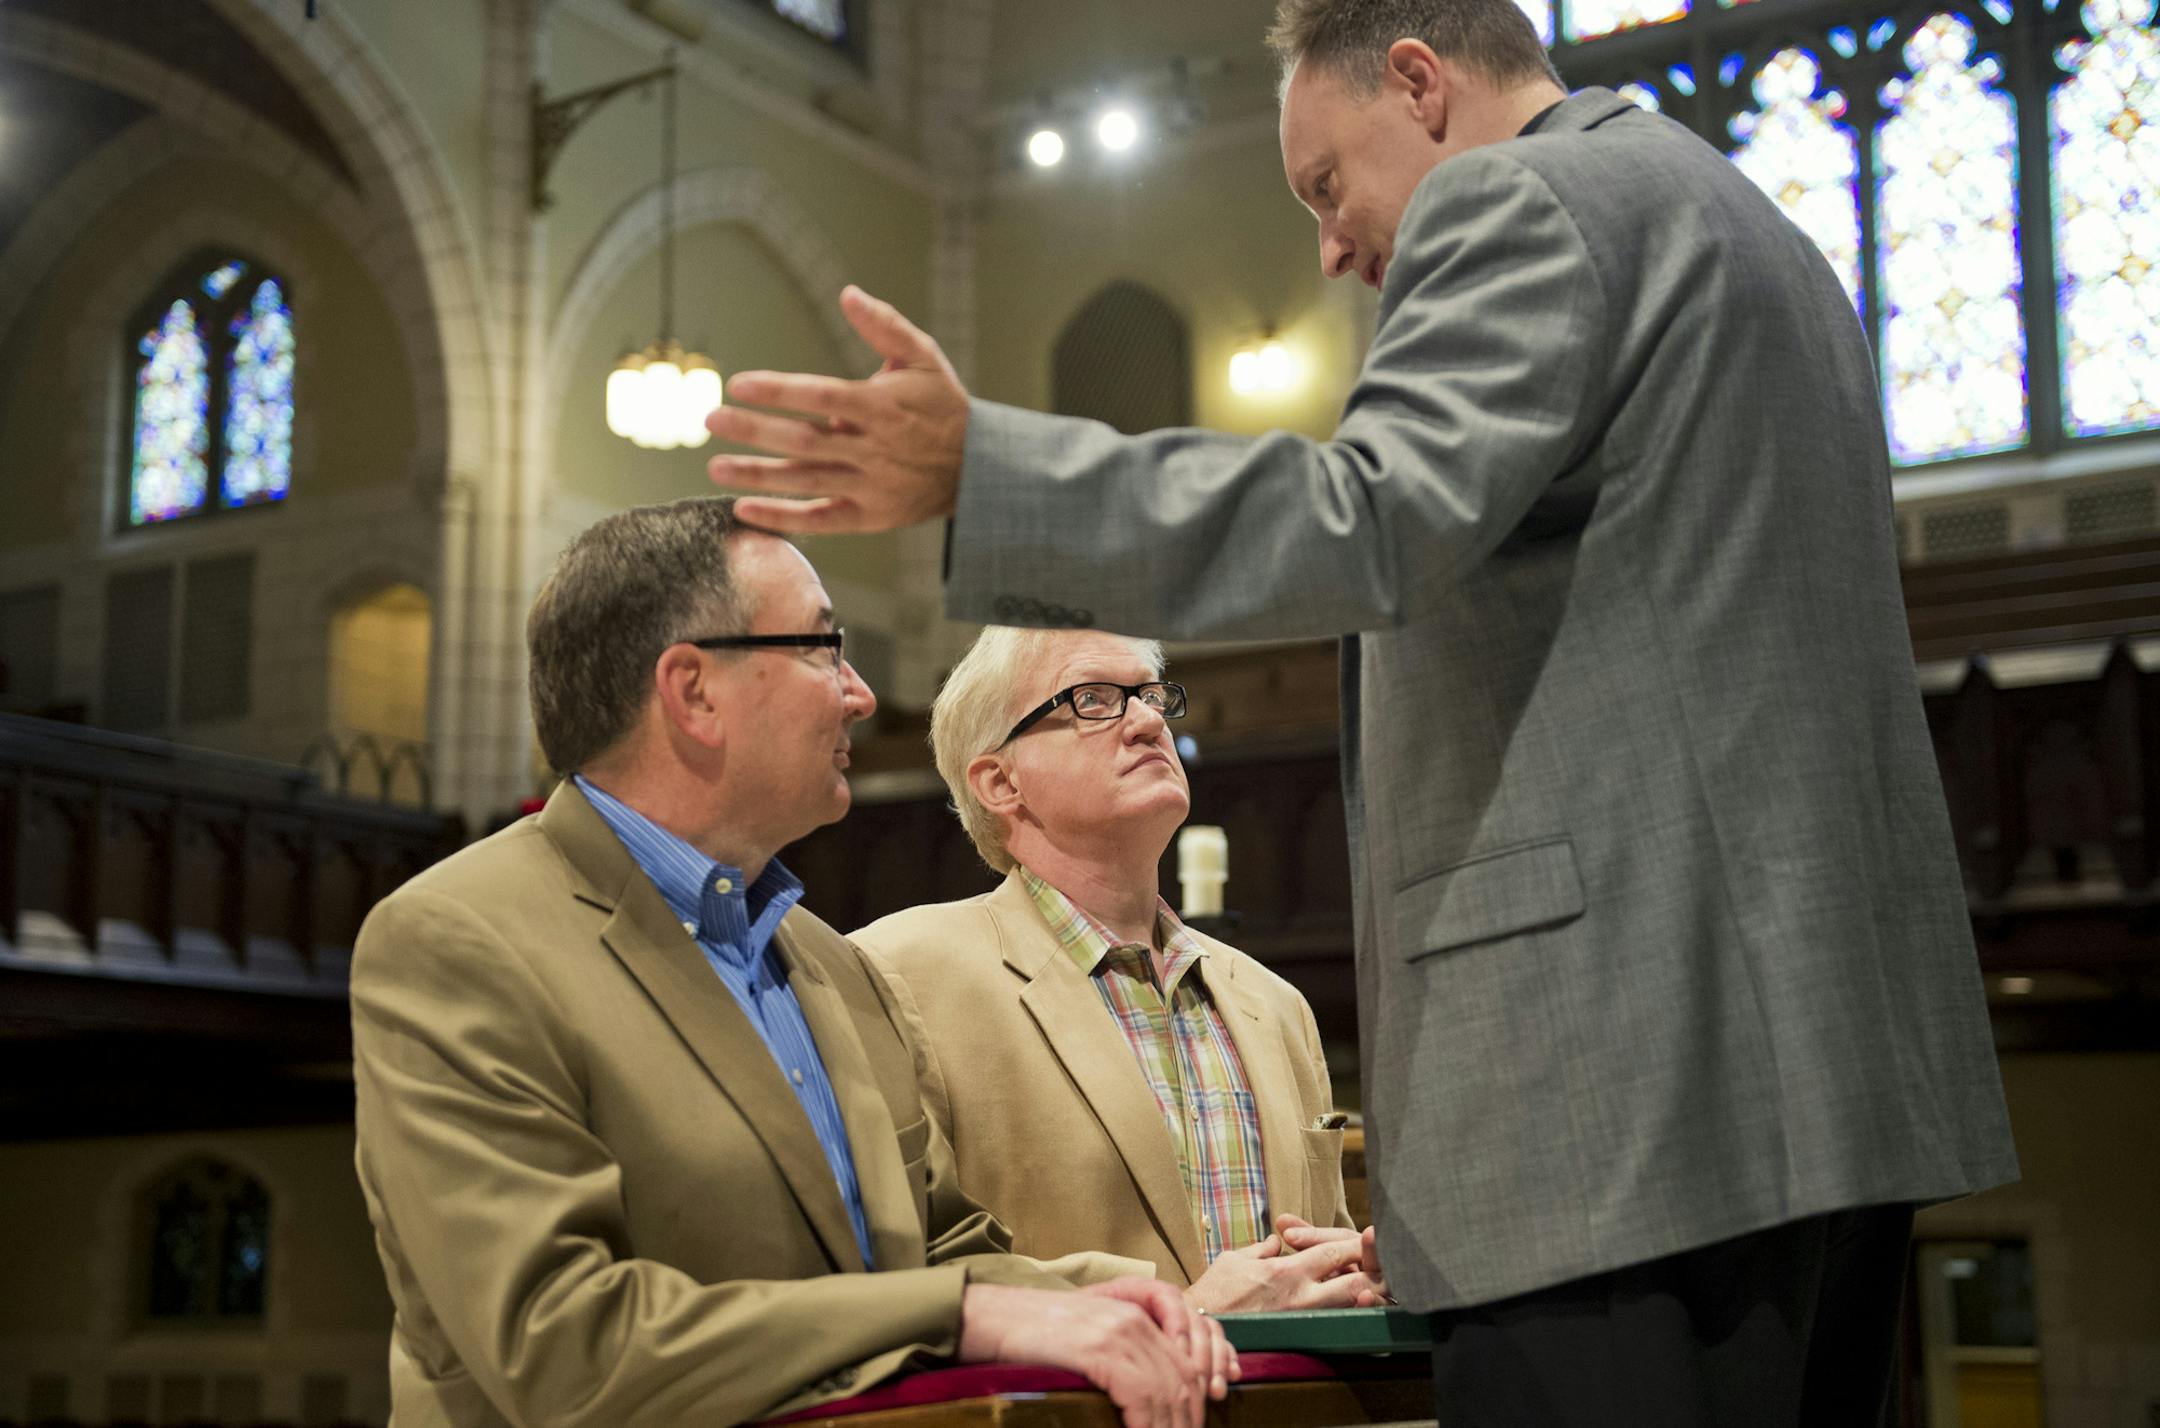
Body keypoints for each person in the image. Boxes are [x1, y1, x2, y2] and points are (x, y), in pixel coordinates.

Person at [699, 0, 2021, 1420]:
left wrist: (992, 477)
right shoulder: (1760, 233)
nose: (1330, 247)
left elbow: (1373, 515)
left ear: (1418, 82)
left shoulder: (1523, 196)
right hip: (1821, 1083)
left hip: (1626, 1099)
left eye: (1326, 185)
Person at [349, 497, 1231, 1428]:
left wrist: (1153, 1299)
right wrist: (970, 1315)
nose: (858, 692)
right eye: (822, 647)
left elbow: (938, 1252)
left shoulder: (827, 960)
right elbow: (563, 1345)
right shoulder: (457, 940)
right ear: (693, 691)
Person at [852, 627, 1382, 1313]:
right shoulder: (899, 973)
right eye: (1093, 700)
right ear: (1000, 781)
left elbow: (1315, 1257)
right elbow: (907, 1268)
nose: (1149, 720)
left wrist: (1357, 1273)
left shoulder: (1274, 1003)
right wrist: (1183, 1314)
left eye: (1152, 695)